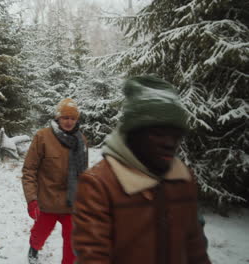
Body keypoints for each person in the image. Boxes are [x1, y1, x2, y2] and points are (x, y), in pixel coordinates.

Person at [72, 75, 211, 264]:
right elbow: (93, 256)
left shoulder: (183, 179)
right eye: (157, 133)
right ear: (133, 133)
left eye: (175, 133)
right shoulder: (99, 184)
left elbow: (195, 248)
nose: (170, 143)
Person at [22, 98, 88, 264]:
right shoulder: (42, 137)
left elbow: (83, 175)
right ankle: (34, 249)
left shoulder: (81, 140)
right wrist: (32, 200)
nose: (69, 121)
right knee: (39, 234)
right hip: (47, 201)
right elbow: (29, 170)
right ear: (58, 118)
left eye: (73, 118)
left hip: (71, 203)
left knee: (72, 245)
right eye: (65, 117)